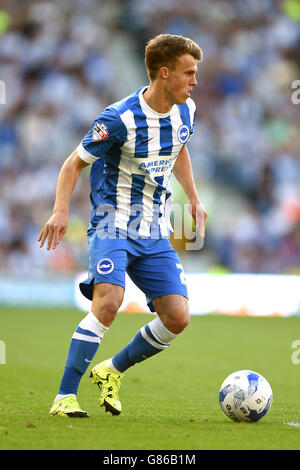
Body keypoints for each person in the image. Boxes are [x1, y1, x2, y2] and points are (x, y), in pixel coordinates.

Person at [38, 33, 207, 418]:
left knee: (178, 317)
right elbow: (72, 164)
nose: (195, 81)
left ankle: (111, 370)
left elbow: (178, 148)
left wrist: (194, 198)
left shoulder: (186, 110)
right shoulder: (119, 118)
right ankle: (64, 396)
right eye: (189, 73)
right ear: (165, 73)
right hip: (112, 223)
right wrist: (60, 211)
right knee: (109, 301)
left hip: (153, 228)